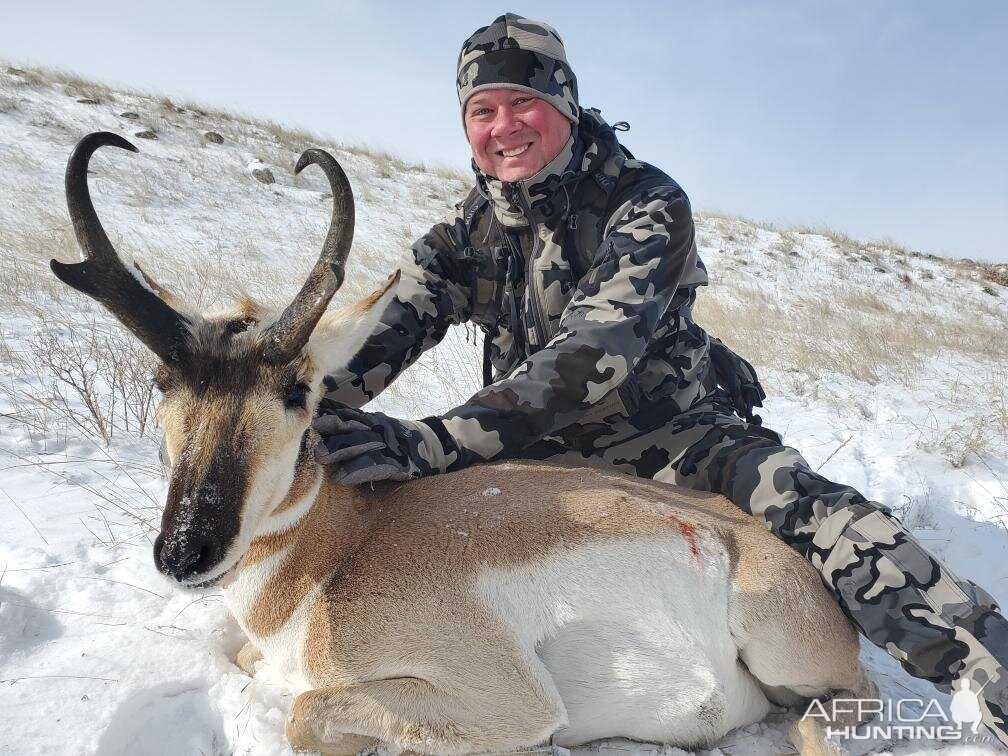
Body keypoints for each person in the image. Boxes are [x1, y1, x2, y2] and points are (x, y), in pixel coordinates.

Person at [314, 13, 1008, 745]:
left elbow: (590, 355)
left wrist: (433, 441)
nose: (503, 125)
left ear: (565, 104)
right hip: (529, 453)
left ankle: (981, 664)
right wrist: (288, 404)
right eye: (481, 110)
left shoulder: (647, 203)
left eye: (524, 102)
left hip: (674, 439)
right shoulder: (466, 235)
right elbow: (387, 333)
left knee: (816, 512)